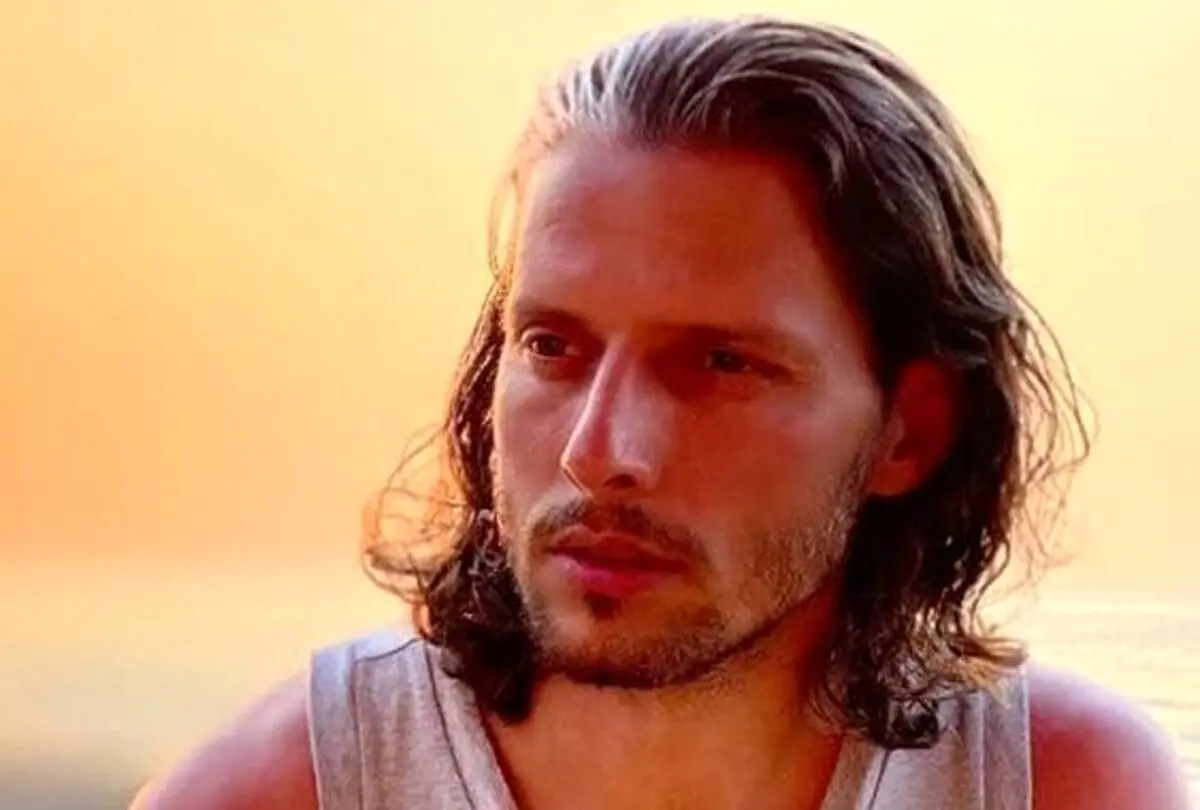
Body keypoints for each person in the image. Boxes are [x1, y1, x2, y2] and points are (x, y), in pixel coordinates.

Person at [132, 16, 1190, 810]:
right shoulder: (285, 791)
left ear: (908, 432)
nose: (598, 452)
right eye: (553, 347)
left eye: (721, 365)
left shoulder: (1055, 789)